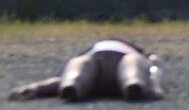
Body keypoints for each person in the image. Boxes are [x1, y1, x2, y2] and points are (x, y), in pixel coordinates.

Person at [8, 39, 163, 102]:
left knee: (133, 65)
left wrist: (38, 87)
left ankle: (134, 85)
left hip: (99, 65)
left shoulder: (139, 55)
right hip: (101, 63)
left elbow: (58, 79)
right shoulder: (138, 54)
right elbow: (154, 69)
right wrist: (154, 84)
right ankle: (134, 86)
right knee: (77, 69)